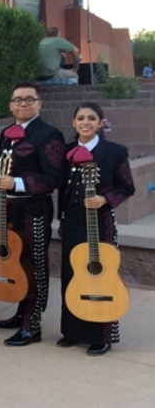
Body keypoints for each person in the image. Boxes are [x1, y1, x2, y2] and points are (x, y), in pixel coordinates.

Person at [57, 102, 134, 356]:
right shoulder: (66, 152)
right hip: (73, 221)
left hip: (100, 223)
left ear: (101, 123)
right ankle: (72, 331)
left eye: (91, 118)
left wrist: (105, 199)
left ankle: (101, 336)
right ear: (74, 122)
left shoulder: (114, 152)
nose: (85, 122)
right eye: (80, 118)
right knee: (71, 276)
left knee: (101, 276)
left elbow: (126, 187)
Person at [0, 81, 66, 346]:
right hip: (9, 208)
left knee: (34, 264)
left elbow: (55, 176)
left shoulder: (49, 134)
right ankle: (21, 313)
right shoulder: (7, 134)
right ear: (11, 105)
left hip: (34, 209)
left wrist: (18, 184)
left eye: (28, 99)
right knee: (17, 263)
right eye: (17, 100)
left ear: (39, 103)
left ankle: (32, 324)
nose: (22, 104)